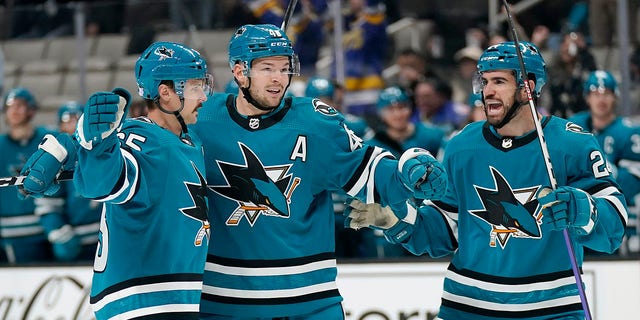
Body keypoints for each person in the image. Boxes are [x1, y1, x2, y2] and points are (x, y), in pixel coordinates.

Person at [345, 41, 628, 319]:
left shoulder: (571, 143)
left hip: (552, 308)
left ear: (527, 87)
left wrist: (584, 209)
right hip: (467, 307)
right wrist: (397, 220)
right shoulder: (462, 145)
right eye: (484, 81)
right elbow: (446, 228)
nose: (487, 91)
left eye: (499, 82)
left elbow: (614, 225)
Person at [190, 24, 446, 319]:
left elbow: (370, 170)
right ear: (239, 72)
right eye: (267, 68)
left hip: (309, 303)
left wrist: (408, 174)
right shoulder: (202, 117)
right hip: (223, 304)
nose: (278, 78)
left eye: (285, 68)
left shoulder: (314, 123)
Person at [18, 41, 214, 319]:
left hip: (172, 296)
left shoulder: (188, 139)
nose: (204, 96)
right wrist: (94, 146)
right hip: (140, 298)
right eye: (196, 87)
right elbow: (102, 184)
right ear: (166, 93)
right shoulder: (142, 139)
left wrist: (71, 149)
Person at [568, 70, 640, 255]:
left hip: (613, 218)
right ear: (587, 97)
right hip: (578, 216)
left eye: (606, 93)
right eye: (596, 93)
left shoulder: (629, 132)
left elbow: (631, 182)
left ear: (614, 97)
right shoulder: (572, 127)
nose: (601, 99)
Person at [42, 101, 103, 262]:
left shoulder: (103, 152)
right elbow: (48, 205)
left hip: (107, 235)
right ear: (60, 127)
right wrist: (58, 231)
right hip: (76, 241)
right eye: (67, 121)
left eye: (77, 120)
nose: (72, 125)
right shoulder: (55, 160)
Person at [0, 87, 55, 264]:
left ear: (31, 109)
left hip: (49, 229)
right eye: (10, 106)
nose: (14, 110)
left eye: (20, 105)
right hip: (12, 234)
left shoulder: (49, 141)